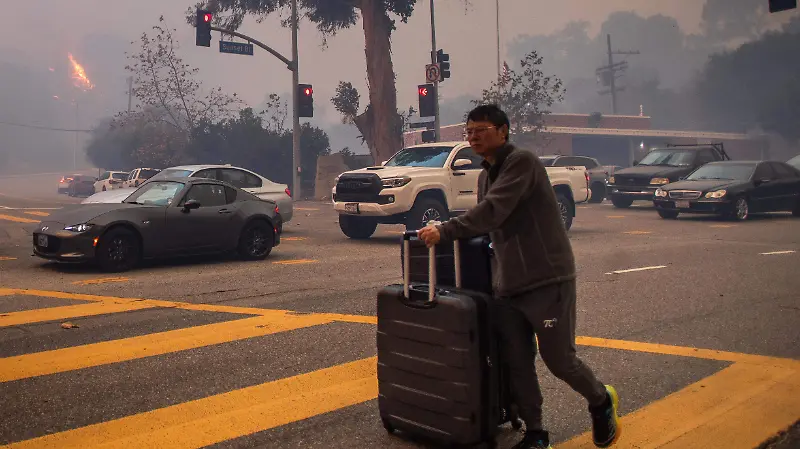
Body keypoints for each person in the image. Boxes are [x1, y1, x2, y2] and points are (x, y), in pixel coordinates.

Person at [417, 104, 620, 449]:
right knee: (518, 363)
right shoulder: (485, 175)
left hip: (546, 279)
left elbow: (494, 211)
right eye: (469, 131)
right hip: (508, 285)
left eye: (481, 129)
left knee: (560, 361)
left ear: (503, 131)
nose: (473, 136)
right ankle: (537, 433)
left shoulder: (522, 163)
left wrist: (447, 230)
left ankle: (601, 401)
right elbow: (489, 224)